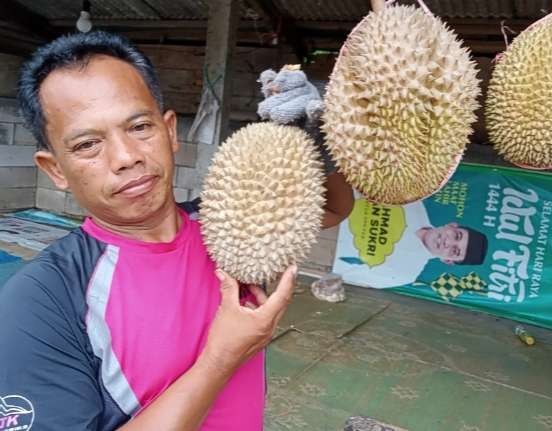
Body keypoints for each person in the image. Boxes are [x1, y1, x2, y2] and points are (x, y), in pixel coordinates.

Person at [0, 30, 347, 431]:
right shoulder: (41, 300)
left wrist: (319, 143)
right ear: (55, 169)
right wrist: (221, 358)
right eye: (87, 145)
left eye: (139, 127)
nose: (126, 157)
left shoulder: (229, 218)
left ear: (169, 132)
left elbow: (335, 207)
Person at [334, 200, 488, 289]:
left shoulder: (405, 274)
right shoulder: (413, 204)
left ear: (447, 261)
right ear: (451, 225)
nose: (447, 242)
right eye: (456, 235)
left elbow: (348, 275)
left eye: (455, 251)